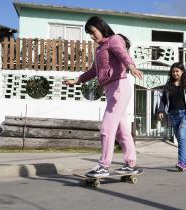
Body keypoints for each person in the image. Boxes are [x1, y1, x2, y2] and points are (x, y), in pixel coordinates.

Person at [63, 16, 143, 177]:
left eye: (93, 32)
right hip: (111, 89)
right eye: (89, 34)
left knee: (107, 128)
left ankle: (104, 165)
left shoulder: (114, 40)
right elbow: (94, 70)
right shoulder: (100, 48)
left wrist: (131, 67)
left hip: (119, 87)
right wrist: (78, 80)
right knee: (121, 130)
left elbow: (122, 54)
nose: (92, 36)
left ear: (101, 27)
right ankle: (130, 164)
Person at [157, 62, 186, 172]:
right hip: (173, 115)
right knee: (181, 139)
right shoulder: (168, 85)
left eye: (177, 71)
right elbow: (163, 100)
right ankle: (185, 163)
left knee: (181, 136)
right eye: (173, 71)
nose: (175, 73)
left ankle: (181, 162)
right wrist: (161, 110)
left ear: (182, 72)